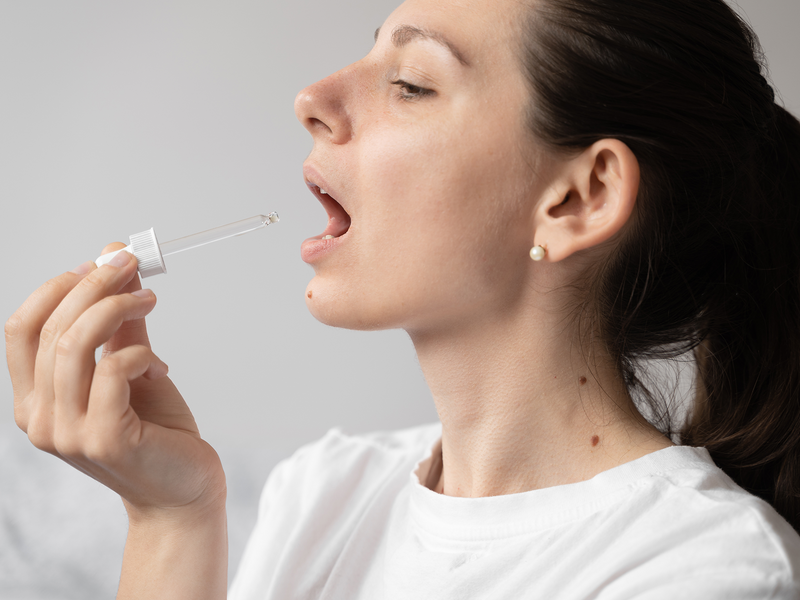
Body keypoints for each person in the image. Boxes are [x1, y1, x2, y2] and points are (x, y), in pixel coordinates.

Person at [5, 0, 800, 597]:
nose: (310, 98)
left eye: (412, 84)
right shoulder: (323, 492)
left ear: (577, 199)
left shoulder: (701, 569)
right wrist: (170, 517)